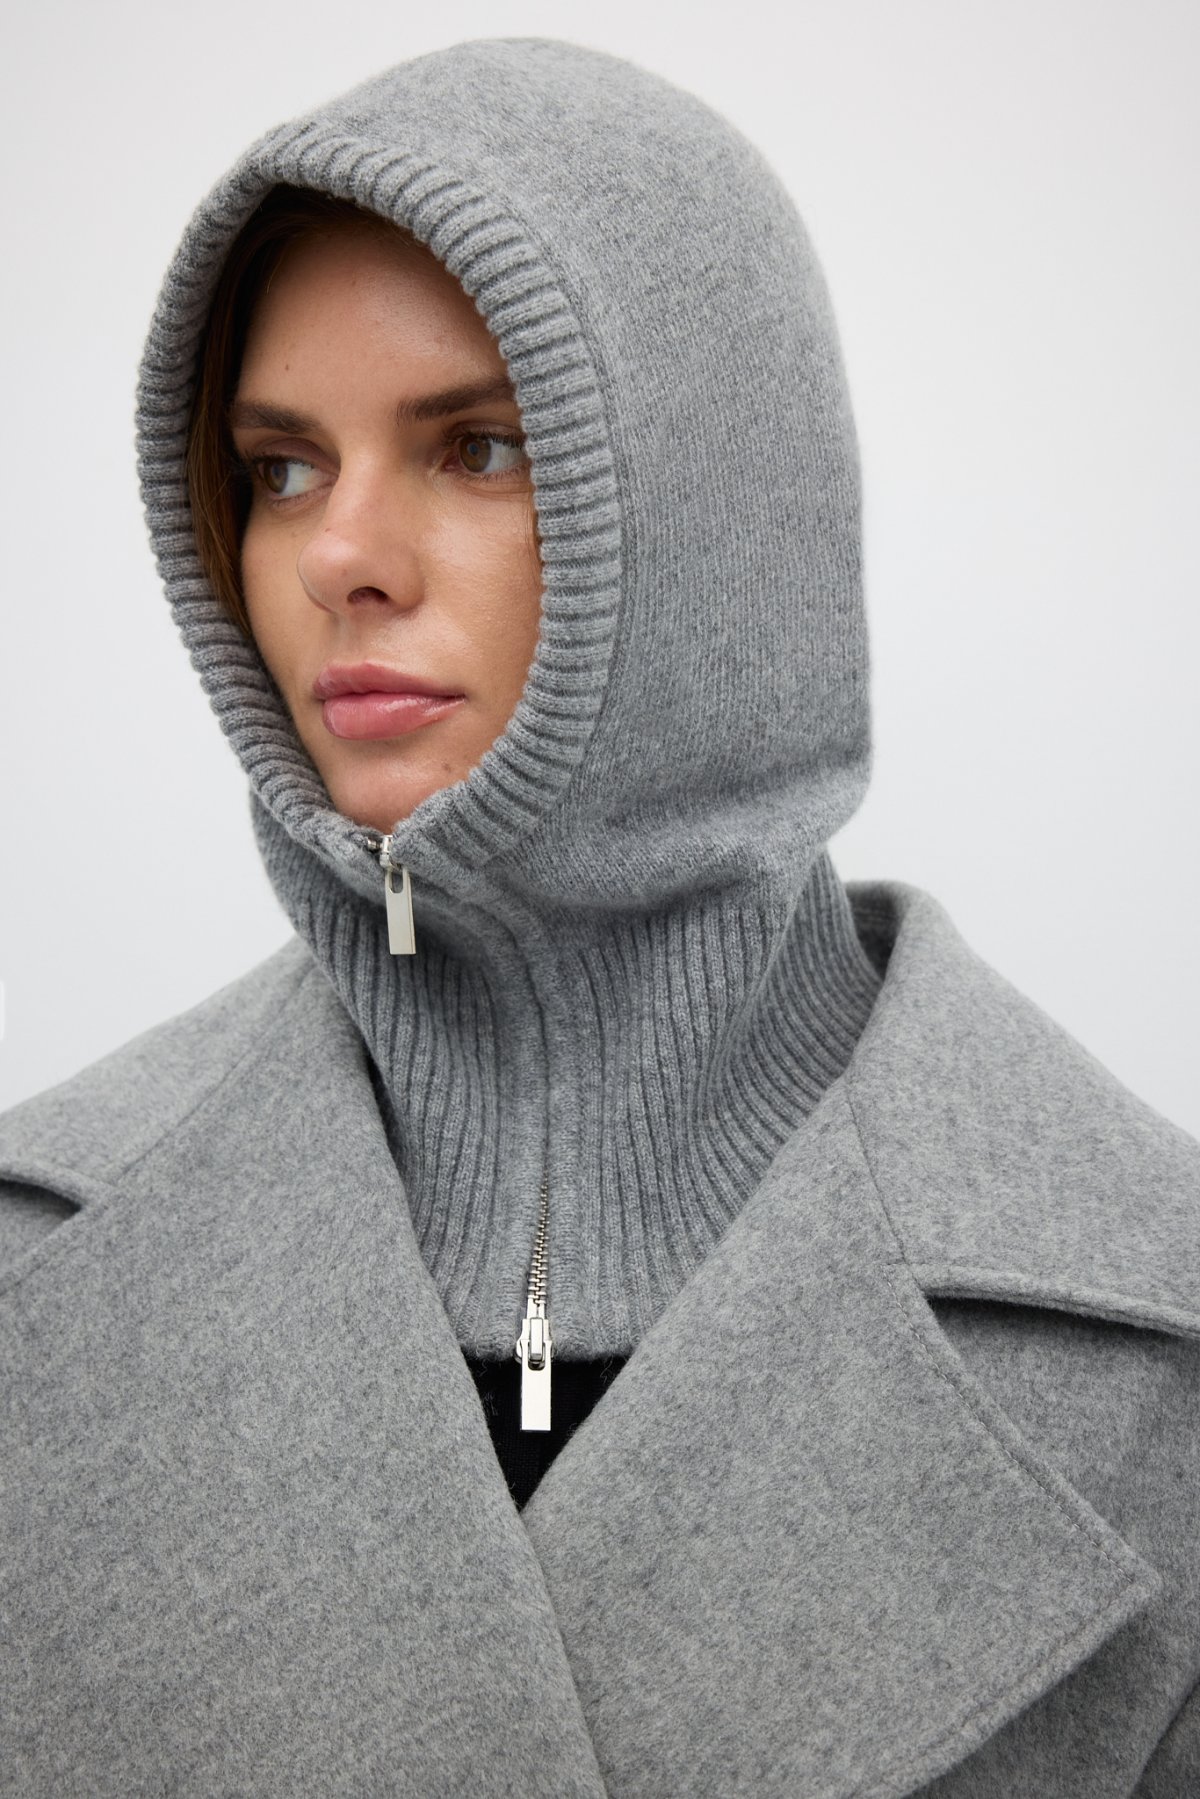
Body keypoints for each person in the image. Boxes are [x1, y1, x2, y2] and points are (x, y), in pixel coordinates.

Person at [0, 34, 1196, 1798]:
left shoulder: (1156, 1338)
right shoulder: (32, 1272)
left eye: (477, 447)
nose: (339, 555)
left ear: (727, 517)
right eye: (282, 469)